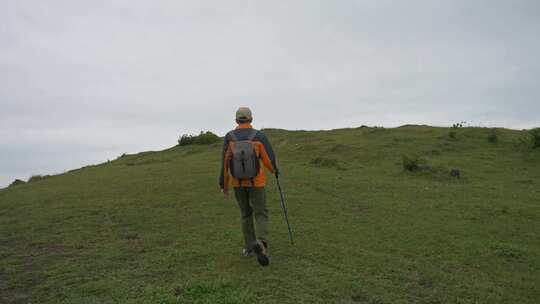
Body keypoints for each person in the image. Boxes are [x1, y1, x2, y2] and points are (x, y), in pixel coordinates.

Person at [219, 107, 278, 266]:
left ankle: (250, 247)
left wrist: (224, 185)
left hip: (238, 183)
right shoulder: (259, 136)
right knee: (261, 213)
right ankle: (262, 243)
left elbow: (224, 162)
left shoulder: (230, 137)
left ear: (237, 120)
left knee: (246, 214)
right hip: (257, 182)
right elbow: (268, 159)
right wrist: (275, 171)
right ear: (251, 119)